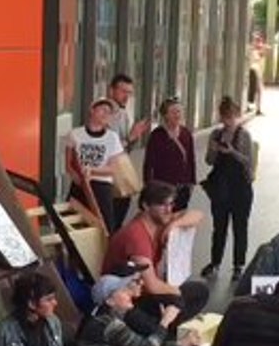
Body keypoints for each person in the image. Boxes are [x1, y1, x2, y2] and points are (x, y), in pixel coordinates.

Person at [102, 181, 209, 326]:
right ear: (146, 206)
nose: (168, 210)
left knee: (198, 290)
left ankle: (166, 323)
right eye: (163, 205)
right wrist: (175, 292)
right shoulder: (137, 236)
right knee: (187, 295)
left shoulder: (158, 221)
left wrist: (174, 225)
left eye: (171, 204)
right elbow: (152, 285)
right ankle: (161, 328)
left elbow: (198, 215)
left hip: (142, 291)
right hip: (128, 299)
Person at [200, 96, 256, 280]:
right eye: (225, 117)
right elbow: (209, 161)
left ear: (238, 115)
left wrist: (232, 151)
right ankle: (215, 262)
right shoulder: (215, 134)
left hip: (240, 187)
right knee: (219, 227)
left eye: (232, 117)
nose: (228, 121)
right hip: (221, 187)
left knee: (240, 227)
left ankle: (238, 265)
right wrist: (215, 150)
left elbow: (249, 161)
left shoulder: (244, 135)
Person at [66, 98, 125, 232]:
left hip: (101, 186)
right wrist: (75, 175)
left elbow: (114, 168)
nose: (106, 114)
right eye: (102, 109)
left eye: (109, 112)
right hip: (79, 185)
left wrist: (92, 170)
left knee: (103, 227)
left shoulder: (112, 137)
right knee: (72, 225)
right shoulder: (75, 134)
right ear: (92, 110)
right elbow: (69, 163)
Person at [106, 73, 153, 225]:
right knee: (112, 217)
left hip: (119, 169)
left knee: (119, 212)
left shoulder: (123, 113)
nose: (126, 96)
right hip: (108, 173)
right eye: (123, 91)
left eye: (129, 92)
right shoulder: (106, 113)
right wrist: (130, 138)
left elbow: (124, 147)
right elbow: (109, 147)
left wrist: (134, 136)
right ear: (111, 90)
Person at [143, 97, 197, 212]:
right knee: (163, 220)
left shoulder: (186, 133)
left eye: (179, 111)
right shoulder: (157, 135)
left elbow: (191, 159)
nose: (177, 115)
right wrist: (148, 186)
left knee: (179, 219)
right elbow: (149, 163)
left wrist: (192, 181)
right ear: (166, 115)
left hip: (182, 187)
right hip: (163, 187)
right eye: (173, 112)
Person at [247, 31, 270, 115]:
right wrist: (255, 47)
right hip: (253, 72)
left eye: (259, 39)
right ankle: (251, 106)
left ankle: (258, 109)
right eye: (256, 40)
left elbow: (266, 49)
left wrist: (260, 46)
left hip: (259, 73)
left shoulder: (259, 49)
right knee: (253, 90)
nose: (258, 42)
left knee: (259, 91)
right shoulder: (251, 50)